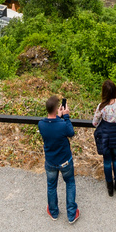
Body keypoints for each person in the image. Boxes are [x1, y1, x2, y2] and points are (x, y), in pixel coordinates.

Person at [38, 94, 78, 223]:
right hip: (65, 161)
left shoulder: (41, 124)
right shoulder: (62, 124)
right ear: (57, 109)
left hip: (50, 161)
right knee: (70, 183)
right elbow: (70, 133)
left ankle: (54, 212)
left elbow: (52, 127)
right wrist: (65, 116)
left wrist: (58, 117)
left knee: (51, 186)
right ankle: (71, 214)